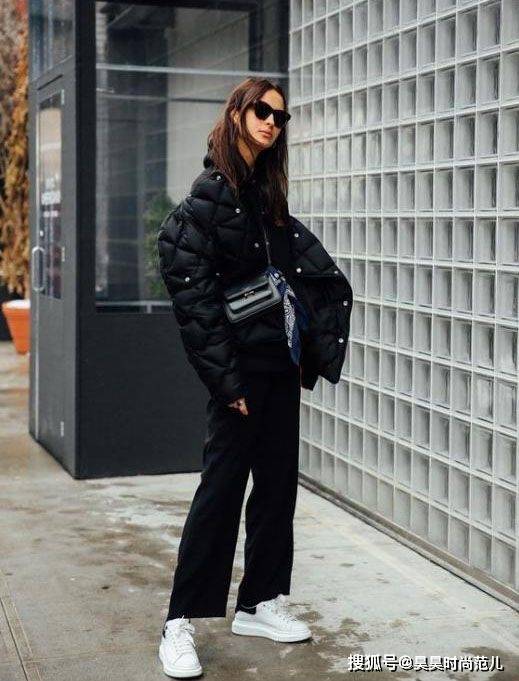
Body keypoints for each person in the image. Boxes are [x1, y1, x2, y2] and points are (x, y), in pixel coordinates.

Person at [156, 77, 353, 679]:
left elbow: (303, 277)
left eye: (281, 117)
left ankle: (260, 602)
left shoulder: (269, 202)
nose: (272, 122)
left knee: (275, 489)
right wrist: (228, 383)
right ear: (238, 113)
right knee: (219, 492)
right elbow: (197, 306)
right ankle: (178, 623)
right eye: (263, 111)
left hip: (278, 368)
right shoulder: (206, 202)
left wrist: (309, 349)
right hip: (239, 377)